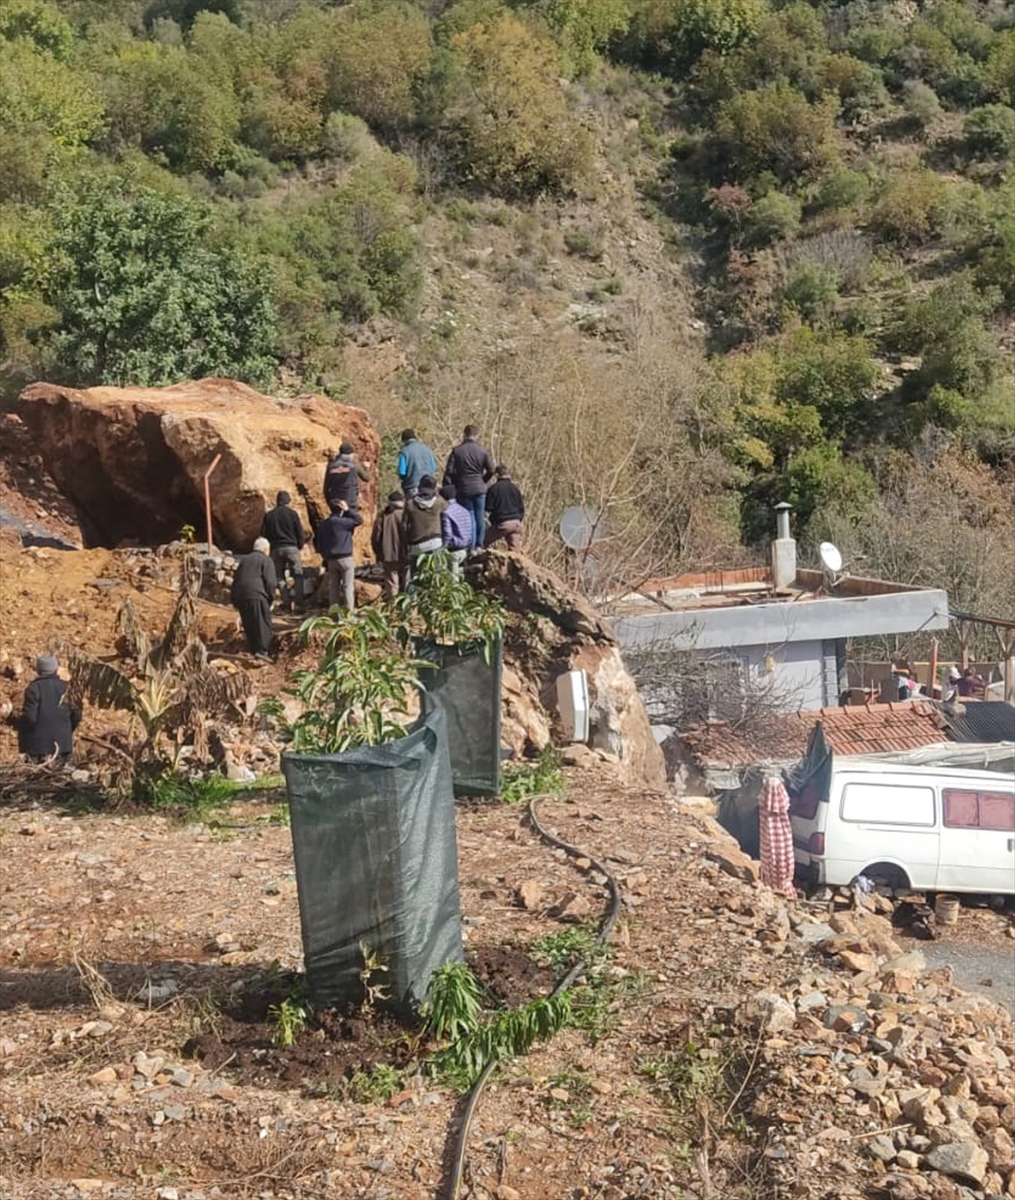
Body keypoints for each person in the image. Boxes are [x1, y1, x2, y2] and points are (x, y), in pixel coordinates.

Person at [18, 654, 81, 765]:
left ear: (38, 670)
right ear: (56, 669)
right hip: (63, 745)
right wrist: (66, 729)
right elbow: (77, 715)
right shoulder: (67, 688)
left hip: (37, 748)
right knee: (63, 778)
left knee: (37, 780)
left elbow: (29, 718)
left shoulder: (34, 688)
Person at [443, 425, 494, 549]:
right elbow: (491, 469)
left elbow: (449, 471)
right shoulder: (482, 450)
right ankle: (479, 545)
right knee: (479, 517)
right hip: (479, 488)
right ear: (476, 435)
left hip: (464, 488)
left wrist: (453, 484)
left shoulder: (457, 451)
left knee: (468, 516)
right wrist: (483, 480)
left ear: (464, 434)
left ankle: (470, 545)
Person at [231, 538, 278, 660]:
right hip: (257, 594)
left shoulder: (244, 560)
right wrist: (271, 598)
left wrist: (234, 599)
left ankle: (253, 649)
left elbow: (236, 579)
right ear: (266, 550)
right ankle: (262, 651)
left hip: (241, 595)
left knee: (249, 622)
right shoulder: (266, 560)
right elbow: (271, 582)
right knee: (262, 622)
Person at [314, 498, 363, 610]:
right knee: (348, 587)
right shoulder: (343, 523)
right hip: (345, 558)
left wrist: (324, 555)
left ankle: (334, 613)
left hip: (331, 559)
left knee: (333, 587)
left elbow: (319, 541)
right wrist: (347, 510)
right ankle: (349, 614)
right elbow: (359, 520)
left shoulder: (324, 524)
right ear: (340, 509)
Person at [260, 491, 306, 610]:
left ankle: (286, 601)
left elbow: (263, 534)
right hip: (291, 547)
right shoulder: (292, 514)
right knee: (298, 575)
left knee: (279, 576)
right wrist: (300, 545)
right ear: (288, 501)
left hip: (276, 549)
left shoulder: (269, 515)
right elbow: (299, 531)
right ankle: (299, 604)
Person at [402, 474, 447, 575]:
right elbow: (448, 512)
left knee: (416, 578)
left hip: (416, 545)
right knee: (436, 576)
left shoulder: (410, 504)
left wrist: (406, 545)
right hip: (435, 543)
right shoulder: (439, 502)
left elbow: (404, 526)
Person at [372, 491, 407, 600]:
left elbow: (376, 537)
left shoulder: (383, 516)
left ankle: (393, 606)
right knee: (407, 580)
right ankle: (408, 607)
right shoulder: (407, 515)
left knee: (392, 582)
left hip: (388, 555)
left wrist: (378, 553)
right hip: (406, 553)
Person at [483, 465, 525, 551]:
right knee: (515, 549)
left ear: (497, 475)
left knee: (482, 540)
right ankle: (515, 562)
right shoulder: (515, 489)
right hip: (516, 524)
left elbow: (488, 507)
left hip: (503, 524)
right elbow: (521, 508)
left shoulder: (494, 488)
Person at [323, 441, 372, 511]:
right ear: (351, 454)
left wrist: (329, 501)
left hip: (335, 501)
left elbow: (326, 487)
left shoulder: (331, 466)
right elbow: (366, 478)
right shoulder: (354, 464)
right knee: (351, 519)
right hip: (350, 500)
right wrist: (367, 468)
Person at [439, 484, 473, 576]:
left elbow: (447, 532)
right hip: (465, 548)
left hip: (453, 550)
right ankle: (469, 570)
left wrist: (443, 548)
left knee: (453, 580)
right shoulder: (464, 510)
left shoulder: (446, 512)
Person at [397, 429, 436, 499]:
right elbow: (433, 468)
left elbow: (402, 472)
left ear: (404, 440)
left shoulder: (404, 451)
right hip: (429, 487)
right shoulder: (427, 449)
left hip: (412, 487)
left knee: (413, 508)